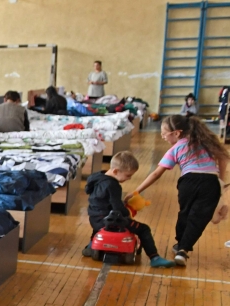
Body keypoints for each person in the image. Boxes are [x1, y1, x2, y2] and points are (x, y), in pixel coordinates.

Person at [130, 114, 230, 265]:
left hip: (188, 182)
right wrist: (220, 180)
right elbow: (222, 158)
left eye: (164, 133)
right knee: (199, 218)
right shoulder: (205, 142)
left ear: (176, 133)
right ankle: (183, 249)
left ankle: (180, 244)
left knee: (185, 213)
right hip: (210, 182)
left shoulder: (175, 148)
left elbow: (156, 174)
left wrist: (136, 191)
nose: (163, 136)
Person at [83, 151, 175, 268]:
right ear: (115, 171)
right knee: (144, 229)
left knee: (100, 225)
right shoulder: (113, 185)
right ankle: (154, 257)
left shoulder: (97, 177)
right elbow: (117, 208)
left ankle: (91, 246)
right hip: (109, 221)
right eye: (128, 175)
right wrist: (127, 211)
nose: (129, 178)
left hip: (94, 219)